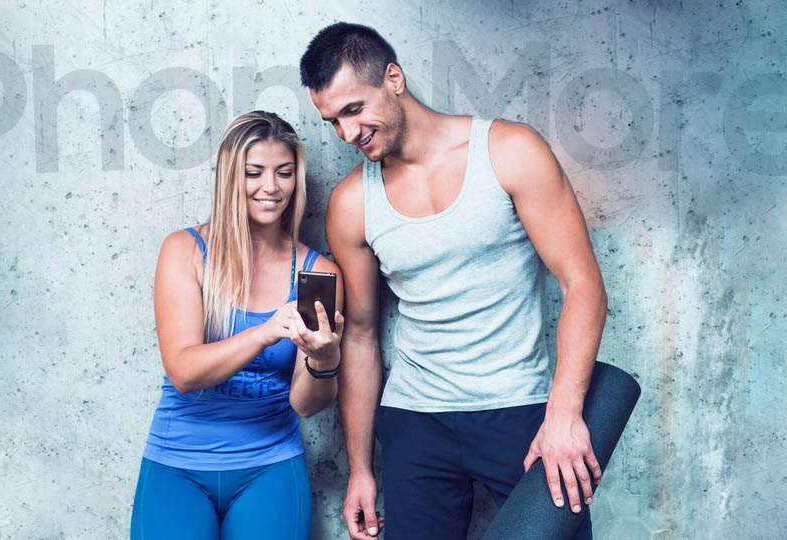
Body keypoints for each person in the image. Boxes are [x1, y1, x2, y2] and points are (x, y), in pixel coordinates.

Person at [300, 23, 607, 540]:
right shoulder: (352, 204)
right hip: (416, 421)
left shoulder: (510, 151)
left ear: (393, 78)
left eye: (354, 110)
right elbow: (359, 334)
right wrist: (360, 468)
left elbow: (583, 285)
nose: (348, 134)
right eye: (332, 122)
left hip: (520, 412)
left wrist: (564, 414)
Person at [130, 111, 345, 540]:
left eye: (284, 173)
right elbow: (184, 372)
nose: (272, 187)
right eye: (254, 173)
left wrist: (323, 360)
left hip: (270, 468)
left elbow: (306, 403)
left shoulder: (316, 273)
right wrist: (265, 331)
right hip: (177, 465)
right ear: (231, 178)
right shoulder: (185, 251)